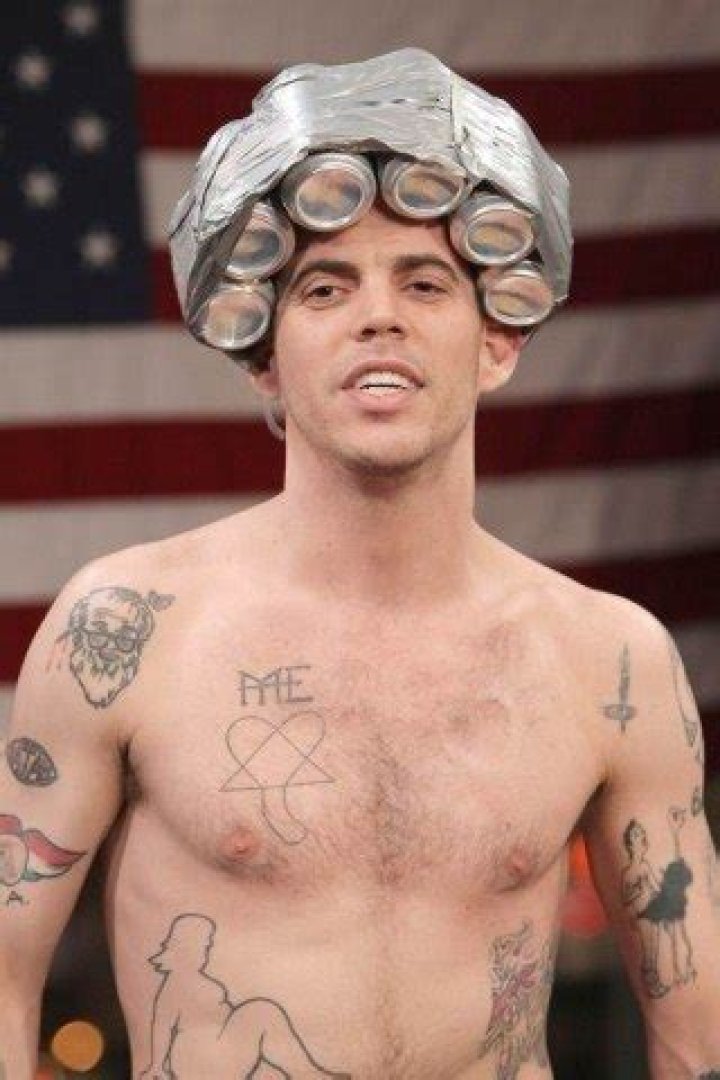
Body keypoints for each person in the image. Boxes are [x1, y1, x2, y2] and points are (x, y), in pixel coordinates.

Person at [1, 49, 718, 1080]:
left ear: (498, 342)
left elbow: (698, 1032)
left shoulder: (611, 660)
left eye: (424, 282)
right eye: (326, 287)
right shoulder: (127, 627)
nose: (379, 315)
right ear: (265, 355)